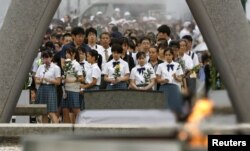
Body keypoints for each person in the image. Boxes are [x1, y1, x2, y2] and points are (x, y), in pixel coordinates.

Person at [156, 47, 183, 116]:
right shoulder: (160, 65)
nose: (168, 57)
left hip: (174, 87)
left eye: (169, 55)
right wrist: (163, 80)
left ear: (172, 55)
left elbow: (181, 79)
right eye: (166, 55)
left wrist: (175, 77)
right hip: (164, 87)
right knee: (164, 106)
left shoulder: (177, 65)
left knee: (174, 105)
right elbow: (157, 79)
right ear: (164, 56)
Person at [35, 51, 61, 123]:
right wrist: (40, 81)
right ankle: (45, 131)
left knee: (51, 112)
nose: (45, 60)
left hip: (50, 89)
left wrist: (48, 80)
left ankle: (58, 129)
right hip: (42, 88)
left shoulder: (56, 67)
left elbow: (58, 82)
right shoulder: (40, 67)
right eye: (44, 58)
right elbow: (36, 80)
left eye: (47, 58)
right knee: (44, 112)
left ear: (51, 58)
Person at [61, 47, 84, 123]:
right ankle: (67, 130)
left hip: (73, 89)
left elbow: (81, 78)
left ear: (73, 54)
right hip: (66, 90)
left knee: (76, 109)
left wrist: (72, 80)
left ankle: (83, 126)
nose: (67, 55)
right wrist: (64, 78)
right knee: (65, 110)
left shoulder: (76, 64)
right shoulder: (68, 64)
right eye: (66, 53)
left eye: (68, 53)